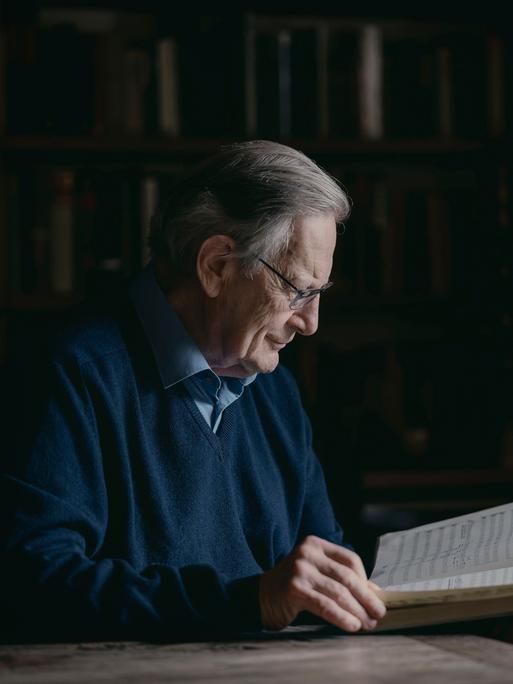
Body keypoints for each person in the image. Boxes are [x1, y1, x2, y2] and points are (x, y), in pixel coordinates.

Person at [0, 140, 386, 642]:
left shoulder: (277, 395)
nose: (311, 323)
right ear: (216, 265)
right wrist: (251, 602)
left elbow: (321, 571)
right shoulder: (70, 373)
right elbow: (34, 582)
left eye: (319, 294)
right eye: (298, 291)